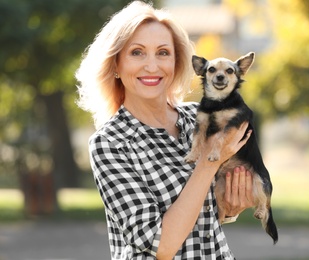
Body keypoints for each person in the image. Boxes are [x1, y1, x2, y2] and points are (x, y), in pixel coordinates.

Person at [76, 1, 255, 259]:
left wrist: (230, 206)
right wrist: (209, 160)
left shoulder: (198, 117)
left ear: (176, 62)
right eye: (137, 52)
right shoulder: (110, 143)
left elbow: (203, 209)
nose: (152, 66)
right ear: (116, 64)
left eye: (163, 53)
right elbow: (161, 245)